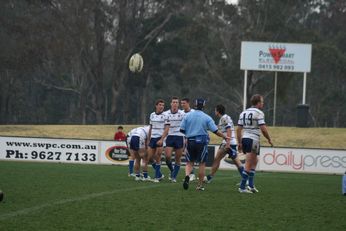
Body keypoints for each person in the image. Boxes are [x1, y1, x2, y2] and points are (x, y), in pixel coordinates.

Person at [180, 98, 229, 191]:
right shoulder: (207, 117)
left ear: (195, 105)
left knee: (189, 162)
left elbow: (182, 129)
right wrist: (224, 137)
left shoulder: (187, 116)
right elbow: (215, 131)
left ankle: (187, 176)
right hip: (201, 141)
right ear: (203, 106)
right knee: (202, 164)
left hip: (190, 140)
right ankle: (199, 185)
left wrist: (190, 132)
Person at [237, 94, 273, 193]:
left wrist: (239, 142)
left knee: (255, 161)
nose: (263, 103)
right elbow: (263, 129)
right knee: (249, 163)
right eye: (262, 102)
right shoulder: (259, 113)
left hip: (245, 138)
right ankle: (242, 187)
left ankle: (251, 185)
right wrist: (269, 139)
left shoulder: (243, 112)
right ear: (257, 103)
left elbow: (238, 129)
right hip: (253, 139)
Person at [205, 104, 244, 183]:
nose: (214, 111)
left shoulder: (224, 118)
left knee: (218, 159)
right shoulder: (225, 118)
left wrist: (228, 143)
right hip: (230, 141)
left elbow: (228, 130)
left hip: (228, 142)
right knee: (235, 161)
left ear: (218, 111)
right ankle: (245, 178)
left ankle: (209, 177)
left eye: (215, 110)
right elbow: (222, 129)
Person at [164, 97, 185, 183]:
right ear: (171, 103)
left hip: (179, 137)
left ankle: (174, 177)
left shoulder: (182, 113)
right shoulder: (166, 113)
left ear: (178, 104)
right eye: (173, 102)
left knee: (177, 159)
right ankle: (172, 170)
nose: (175, 104)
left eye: (176, 102)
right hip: (170, 136)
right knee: (167, 157)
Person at [147, 99, 169, 182]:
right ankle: (159, 174)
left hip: (160, 138)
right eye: (160, 105)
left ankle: (157, 177)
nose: (161, 107)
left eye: (163, 105)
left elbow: (167, 128)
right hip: (152, 138)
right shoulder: (152, 115)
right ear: (156, 106)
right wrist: (148, 139)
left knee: (158, 156)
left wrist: (162, 139)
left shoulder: (166, 115)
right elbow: (150, 128)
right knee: (149, 158)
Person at [180, 98, 196, 182]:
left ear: (188, 103)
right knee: (187, 156)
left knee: (190, 156)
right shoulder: (181, 113)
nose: (182, 105)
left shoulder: (193, 112)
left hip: (191, 137)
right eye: (181, 103)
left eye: (184, 103)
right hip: (182, 136)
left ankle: (192, 174)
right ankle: (190, 174)